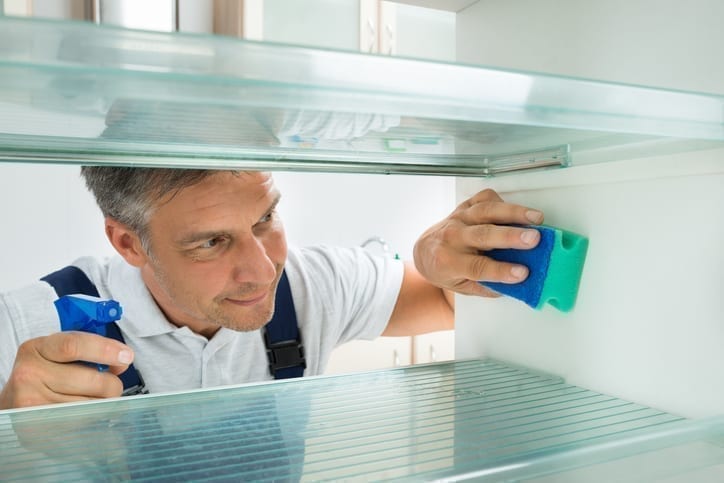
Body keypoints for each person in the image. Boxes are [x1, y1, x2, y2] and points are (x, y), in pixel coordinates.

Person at [0, 167, 544, 410]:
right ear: (129, 243)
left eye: (266, 218)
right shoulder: (26, 328)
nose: (263, 271)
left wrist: (440, 255)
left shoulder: (316, 284)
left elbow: (450, 300)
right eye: (211, 243)